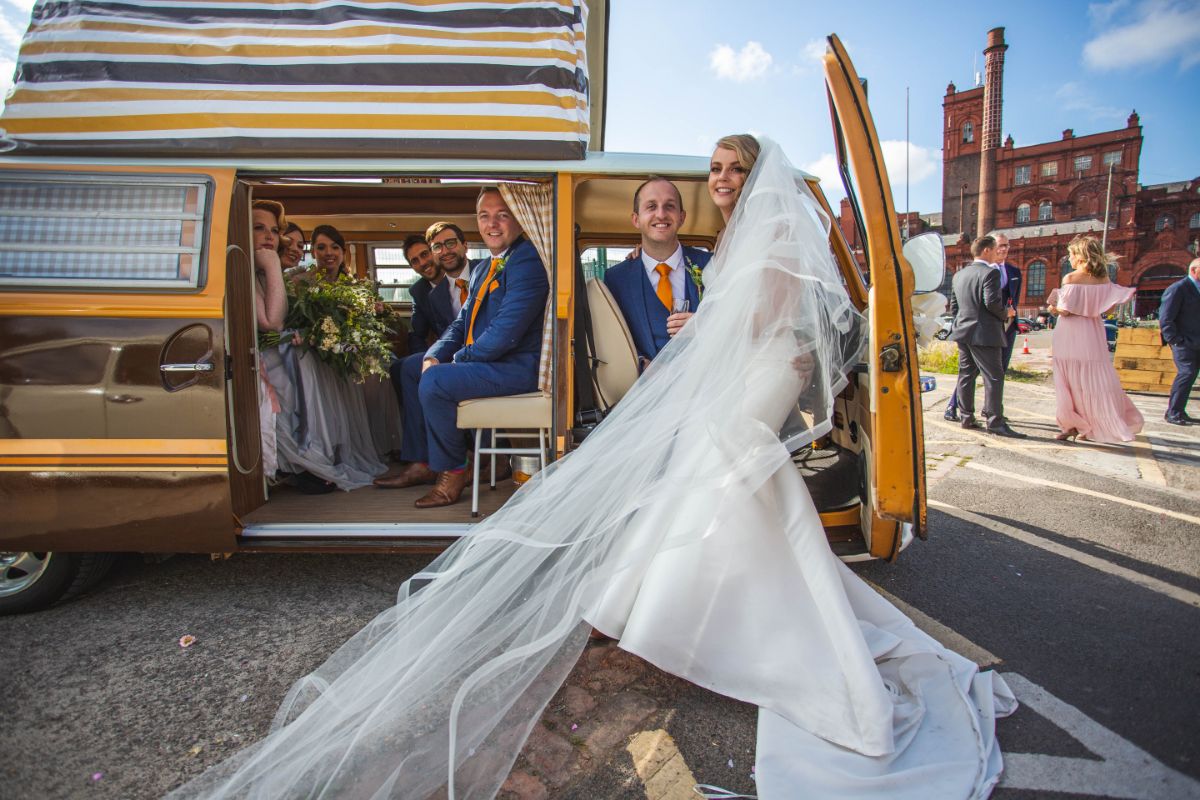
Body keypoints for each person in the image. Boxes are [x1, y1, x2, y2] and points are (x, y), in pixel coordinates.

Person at [168, 140, 1013, 800]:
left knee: (730, 479)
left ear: (745, 180)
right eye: (707, 173)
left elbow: (784, 325)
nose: (715, 184)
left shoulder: (747, 244)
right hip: (716, 382)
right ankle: (693, 612)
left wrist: (719, 342)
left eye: (726, 172)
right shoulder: (694, 254)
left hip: (746, 378)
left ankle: (679, 612)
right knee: (736, 483)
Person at [374, 189, 549, 507]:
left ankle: (453, 471)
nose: (492, 224)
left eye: (502, 215)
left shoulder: (528, 259)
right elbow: (460, 325)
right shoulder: (485, 267)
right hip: (490, 363)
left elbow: (505, 334)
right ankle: (426, 461)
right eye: (484, 216)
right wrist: (434, 354)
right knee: (413, 368)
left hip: (518, 366)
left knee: (437, 380)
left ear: (519, 219)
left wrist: (454, 361)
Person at [603, 177, 711, 369]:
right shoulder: (616, 279)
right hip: (644, 391)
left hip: (707, 385)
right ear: (636, 219)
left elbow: (737, 323)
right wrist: (640, 363)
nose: (661, 214)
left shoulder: (710, 265)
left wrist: (704, 325)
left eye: (669, 206)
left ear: (682, 217)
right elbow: (609, 340)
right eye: (651, 206)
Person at [1046, 236, 1144, 442]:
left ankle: (1071, 425)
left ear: (1081, 257)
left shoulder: (1071, 279)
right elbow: (1108, 308)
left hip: (1070, 334)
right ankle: (1095, 426)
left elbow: (1065, 311)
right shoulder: (1104, 280)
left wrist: (1052, 306)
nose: (1069, 259)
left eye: (1071, 255)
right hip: (1093, 332)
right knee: (1093, 382)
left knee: (1068, 381)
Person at [948, 235, 1026, 437]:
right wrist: (1006, 313)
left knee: (966, 375)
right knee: (994, 376)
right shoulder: (990, 273)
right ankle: (995, 422)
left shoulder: (959, 275)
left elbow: (954, 308)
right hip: (985, 333)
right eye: (995, 249)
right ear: (985, 251)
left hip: (963, 331)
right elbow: (991, 302)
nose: (997, 253)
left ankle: (966, 418)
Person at [252, 201, 287, 479]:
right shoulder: (243, 269)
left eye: (274, 231)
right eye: (258, 228)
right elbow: (272, 323)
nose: (268, 237)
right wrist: (273, 263)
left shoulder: (259, 272)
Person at [1157, 257, 1200, 425]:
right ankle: (1173, 412)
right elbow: (1166, 318)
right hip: (1184, 342)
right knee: (1187, 373)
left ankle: (1180, 411)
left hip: (1197, 342)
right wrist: (1175, 340)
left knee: (1191, 376)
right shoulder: (1178, 289)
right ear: (1194, 270)